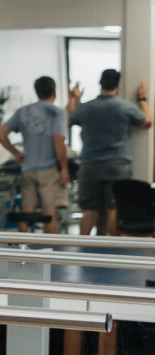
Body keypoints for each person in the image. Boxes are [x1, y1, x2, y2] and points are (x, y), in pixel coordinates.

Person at [66, 70, 150, 235]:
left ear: (100, 84)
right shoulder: (125, 106)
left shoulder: (87, 107)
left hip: (90, 166)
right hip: (117, 166)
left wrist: (73, 97)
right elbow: (147, 121)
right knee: (114, 209)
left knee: (89, 211)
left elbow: (68, 118)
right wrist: (141, 98)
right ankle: (111, 253)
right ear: (118, 85)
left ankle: (83, 250)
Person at [0, 76, 69, 228]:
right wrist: (64, 168)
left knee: (26, 214)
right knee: (48, 216)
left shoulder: (24, 111)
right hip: (48, 170)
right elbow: (58, 140)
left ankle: (23, 250)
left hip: (28, 169)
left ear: (37, 92)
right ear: (54, 92)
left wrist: (16, 153)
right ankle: (51, 251)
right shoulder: (57, 113)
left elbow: (0, 134)